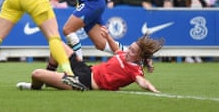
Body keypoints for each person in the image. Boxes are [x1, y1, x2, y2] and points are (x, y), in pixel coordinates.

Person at [16, 26, 163, 92]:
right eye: (129, 48)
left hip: (84, 82)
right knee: (57, 45)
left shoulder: (135, 70)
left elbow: (140, 80)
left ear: (139, 56)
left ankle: (37, 85)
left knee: (36, 74)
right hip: (85, 69)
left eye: (132, 50)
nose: (128, 51)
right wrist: (108, 37)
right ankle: (46, 81)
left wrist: (150, 87)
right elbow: (116, 49)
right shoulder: (124, 55)